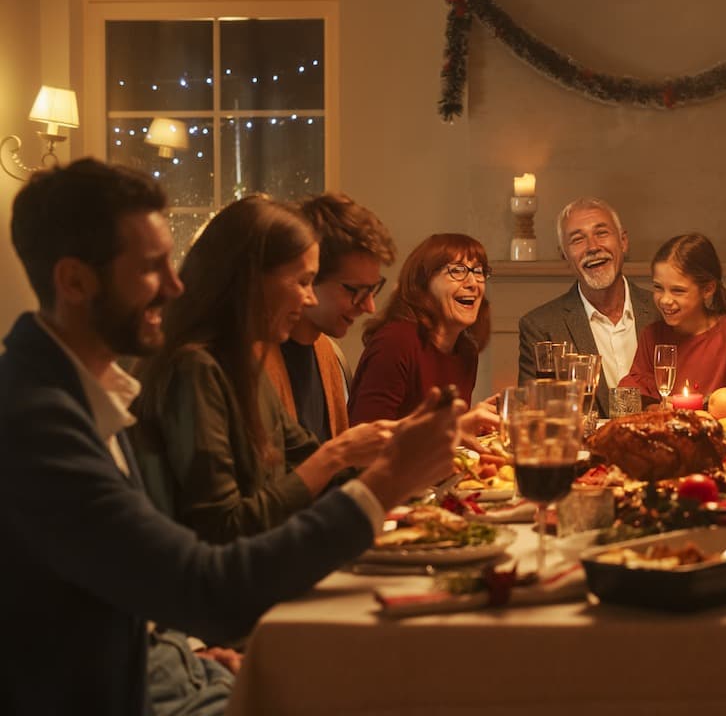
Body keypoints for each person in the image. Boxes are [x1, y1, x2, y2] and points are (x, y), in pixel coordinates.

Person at [0, 158, 460, 715]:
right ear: (74, 281)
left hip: (173, 663)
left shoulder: (89, 393)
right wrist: (385, 482)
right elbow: (209, 585)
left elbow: (134, 587)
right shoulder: (35, 422)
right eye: (153, 267)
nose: (175, 286)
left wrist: (184, 654)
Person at [132, 196, 399, 545]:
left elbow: (318, 469)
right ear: (250, 280)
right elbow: (223, 528)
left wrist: (416, 454)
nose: (309, 299)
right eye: (303, 282)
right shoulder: (194, 367)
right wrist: (338, 454)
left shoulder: (242, 361)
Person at [262, 192, 397, 442]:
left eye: (373, 289)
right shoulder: (255, 360)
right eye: (355, 291)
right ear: (310, 277)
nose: (369, 306)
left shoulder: (327, 353)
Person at [348, 233, 500, 439]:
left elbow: (445, 439)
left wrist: (474, 424)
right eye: (457, 270)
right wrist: (455, 429)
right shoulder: (395, 342)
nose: (473, 282)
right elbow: (364, 444)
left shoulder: (466, 351)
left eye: (479, 271)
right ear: (423, 283)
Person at [517, 197, 659, 415]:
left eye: (601, 233)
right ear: (564, 255)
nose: (593, 247)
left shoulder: (663, 311)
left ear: (623, 241)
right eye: (577, 240)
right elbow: (534, 414)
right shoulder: (540, 327)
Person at [619, 232, 726, 403]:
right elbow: (636, 394)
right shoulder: (652, 335)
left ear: (707, 289)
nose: (665, 300)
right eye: (658, 287)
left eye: (678, 290)